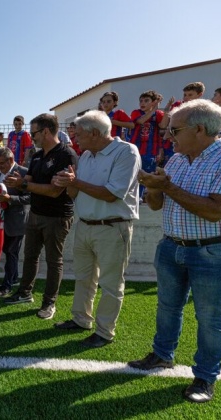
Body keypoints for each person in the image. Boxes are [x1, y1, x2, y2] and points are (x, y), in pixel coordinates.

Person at [128, 99, 221, 403]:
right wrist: (154, 187)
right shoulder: (177, 159)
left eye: (175, 130)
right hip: (171, 246)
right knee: (167, 307)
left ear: (199, 129)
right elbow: (156, 204)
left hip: (214, 251)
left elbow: (216, 211)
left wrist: (166, 187)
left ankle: (205, 377)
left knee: (210, 317)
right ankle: (162, 354)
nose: (169, 136)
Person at [52, 110, 140, 348]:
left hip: (112, 227)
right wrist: (66, 183)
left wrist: (74, 182)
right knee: (83, 277)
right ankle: (81, 319)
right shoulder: (86, 156)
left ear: (93, 133)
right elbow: (75, 192)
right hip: (85, 225)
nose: (75, 138)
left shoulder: (126, 152)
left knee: (111, 283)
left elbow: (112, 194)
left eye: (78, 133)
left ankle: (104, 331)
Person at [2, 114, 78, 321]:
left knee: (54, 261)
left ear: (45, 131)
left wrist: (24, 185)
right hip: (35, 214)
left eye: (33, 132)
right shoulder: (36, 156)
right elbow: (27, 180)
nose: (31, 136)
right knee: (30, 256)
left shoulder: (66, 155)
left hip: (57, 217)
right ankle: (25, 293)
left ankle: (49, 303)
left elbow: (54, 191)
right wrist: (19, 182)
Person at [0, 147, 29, 297]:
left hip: (17, 221)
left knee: (11, 252)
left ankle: (7, 286)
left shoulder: (24, 172)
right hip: (1, 220)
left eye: (1, 164)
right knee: (8, 251)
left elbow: (30, 198)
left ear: (11, 160)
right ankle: (14, 278)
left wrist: (9, 199)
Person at [128, 90, 168, 197]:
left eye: (146, 101)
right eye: (141, 101)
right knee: (134, 173)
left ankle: (140, 196)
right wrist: (153, 109)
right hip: (136, 149)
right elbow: (141, 121)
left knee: (147, 174)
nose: (142, 103)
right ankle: (132, 195)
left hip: (151, 151)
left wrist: (167, 109)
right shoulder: (136, 112)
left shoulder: (158, 114)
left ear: (153, 102)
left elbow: (163, 125)